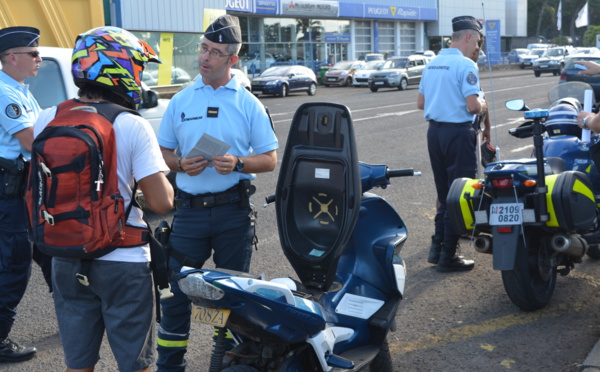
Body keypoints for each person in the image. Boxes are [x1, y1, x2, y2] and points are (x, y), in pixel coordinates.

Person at [33, 27, 174, 372]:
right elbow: (161, 203)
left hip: (66, 256)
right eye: (138, 67)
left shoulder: (47, 117)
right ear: (120, 67)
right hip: (123, 259)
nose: (140, 75)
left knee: (78, 363)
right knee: (136, 364)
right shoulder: (130, 124)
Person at [156, 15, 278, 372]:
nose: (205, 57)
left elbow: (269, 159)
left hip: (232, 214)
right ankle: (170, 366)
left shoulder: (248, 103)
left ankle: (226, 363)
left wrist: (238, 163)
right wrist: (179, 164)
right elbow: (162, 153)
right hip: (190, 214)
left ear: (233, 59)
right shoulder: (180, 100)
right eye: (204, 49)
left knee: (232, 299)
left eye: (216, 52)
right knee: (176, 295)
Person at [417, 16, 486, 272]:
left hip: (434, 133)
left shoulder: (432, 64)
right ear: (468, 37)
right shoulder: (466, 65)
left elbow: (421, 103)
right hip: (458, 134)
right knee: (460, 196)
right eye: (477, 40)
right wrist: (483, 105)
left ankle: (437, 249)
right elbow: (472, 106)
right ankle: (448, 256)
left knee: (445, 194)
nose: (476, 46)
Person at [0, 25, 43, 363]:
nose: (39, 59)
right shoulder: (5, 93)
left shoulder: (20, 90)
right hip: (10, 197)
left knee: (48, 253)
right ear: (12, 57)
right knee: (14, 265)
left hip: (24, 195)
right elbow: (32, 142)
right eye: (33, 54)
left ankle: (79, 313)